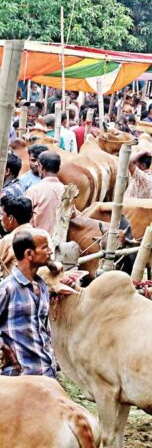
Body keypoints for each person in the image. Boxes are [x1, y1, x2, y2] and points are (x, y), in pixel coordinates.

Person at [0, 229, 56, 377]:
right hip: (21, 377)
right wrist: (5, 349)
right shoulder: (7, 289)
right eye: (45, 247)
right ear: (29, 254)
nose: (50, 251)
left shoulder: (42, 286)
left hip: (46, 372)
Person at [24, 151, 65, 236]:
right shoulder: (65, 190)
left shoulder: (34, 191)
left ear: (41, 166)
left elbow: (23, 220)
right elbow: (73, 216)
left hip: (37, 242)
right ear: (58, 168)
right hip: (60, 242)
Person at [0, 195, 34, 270]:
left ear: (11, 218)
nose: (1, 218)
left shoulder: (8, 240)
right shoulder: (44, 235)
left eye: (2, 215)